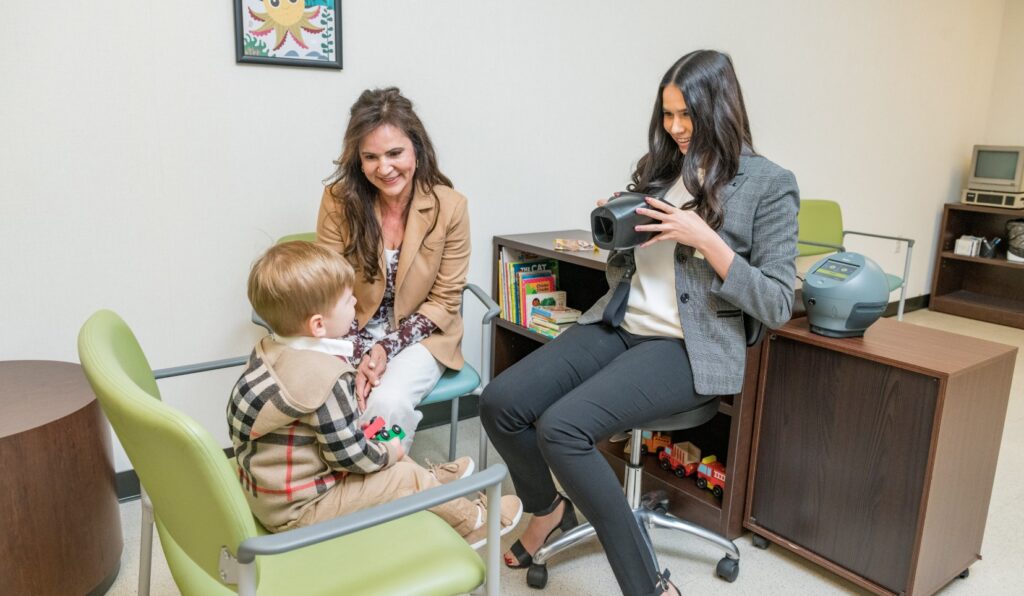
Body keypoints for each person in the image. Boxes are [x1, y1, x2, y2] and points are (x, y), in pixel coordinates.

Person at [479, 50, 799, 595]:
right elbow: (628, 267)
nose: (675, 128)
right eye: (667, 114)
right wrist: (618, 232)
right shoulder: (660, 171)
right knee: (501, 402)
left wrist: (705, 239)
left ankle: (648, 584)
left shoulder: (768, 185)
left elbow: (776, 301)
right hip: (621, 323)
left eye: (687, 115)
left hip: (686, 347)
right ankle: (548, 509)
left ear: (720, 108)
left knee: (562, 429)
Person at [227, 241, 521, 546]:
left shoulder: (269, 351)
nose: (355, 301)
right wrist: (388, 454)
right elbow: (348, 458)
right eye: (346, 300)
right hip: (301, 511)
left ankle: (431, 484)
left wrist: (380, 446)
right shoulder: (326, 379)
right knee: (399, 471)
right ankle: (472, 521)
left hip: (271, 493)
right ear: (317, 324)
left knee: (379, 438)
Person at [316, 87, 470, 451]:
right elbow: (330, 284)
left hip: (422, 334)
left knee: (386, 402)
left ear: (417, 147)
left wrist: (384, 348)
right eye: (370, 157)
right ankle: (352, 484)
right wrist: (357, 355)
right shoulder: (338, 201)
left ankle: (385, 482)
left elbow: (445, 300)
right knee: (325, 393)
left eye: (395, 153)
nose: (383, 168)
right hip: (347, 329)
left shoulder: (451, 206)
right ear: (358, 160)